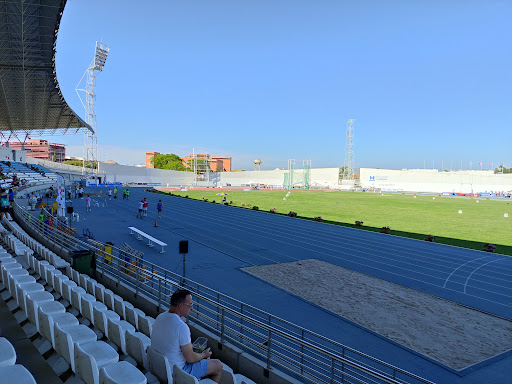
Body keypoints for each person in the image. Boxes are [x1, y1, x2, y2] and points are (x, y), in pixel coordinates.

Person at [151, 289, 222, 382]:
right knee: (218, 365)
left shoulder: (160, 317)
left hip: (158, 367)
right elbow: (190, 358)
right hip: (176, 373)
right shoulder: (181, 327)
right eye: (190, 305)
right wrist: (204, 355)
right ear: (181, 306)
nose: (191, 308)